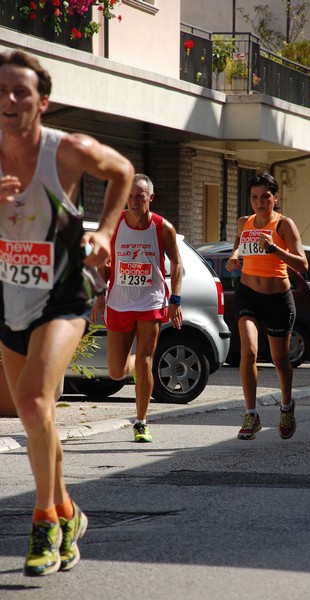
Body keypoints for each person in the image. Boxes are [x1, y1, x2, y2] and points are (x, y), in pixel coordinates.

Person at [0, 50, 134, 576]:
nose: (8, 102)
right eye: (1, 91)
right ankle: (68, 510)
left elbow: (122, 171)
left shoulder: (68, 151)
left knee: (34, 400)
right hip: (10, 295)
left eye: (20, 92)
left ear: (43, 102)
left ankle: (43, 522)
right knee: (34, 415)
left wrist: (103, 230)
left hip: (64, 294)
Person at [91, 174, 183, 443]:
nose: (134, 201)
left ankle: (141, 422)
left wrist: (175, 300)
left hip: (151, 301)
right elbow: (103, 263)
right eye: (130, 196)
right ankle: (133, 365)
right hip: (119, 301)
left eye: (139, 196)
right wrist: (100, 295)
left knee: (145, 362)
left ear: (150, 198)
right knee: (116, 372)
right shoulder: (114, 224)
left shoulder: (162, 228)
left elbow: (177, 264)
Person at [226, 172, 308, 441]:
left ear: (275, 197)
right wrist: (235, 257)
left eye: (264, 196)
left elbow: (303, 265)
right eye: (254, 197)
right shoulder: (244, 223)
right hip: (248, 294)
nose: (259, 202)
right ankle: (251, 413)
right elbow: (239, 246)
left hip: (277, 299)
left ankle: (286, 407)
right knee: (247, 351)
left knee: (280, 360)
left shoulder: (284, 225)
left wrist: (275, 250)